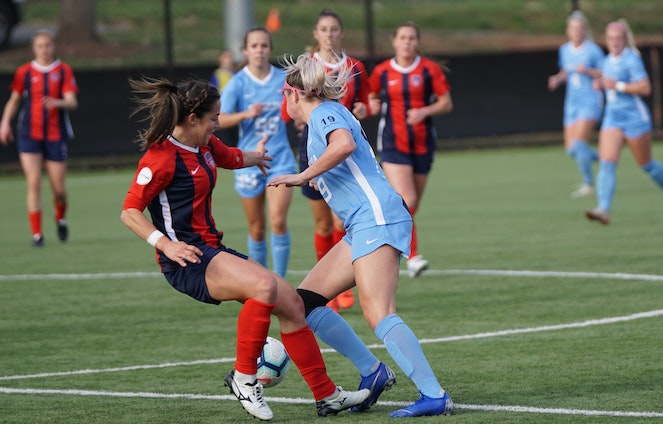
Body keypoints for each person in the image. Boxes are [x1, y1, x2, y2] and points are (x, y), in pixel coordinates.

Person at [120, 77, 369, 420]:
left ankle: (327, 396)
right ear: (192, 119)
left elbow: (230, 156)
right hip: (185, 260)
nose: (218, 124)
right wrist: (165, 244)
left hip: (210, 249)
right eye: (214, 118)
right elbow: (129, 211)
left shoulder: (203, 144)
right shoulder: (160, 158)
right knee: (265, 287)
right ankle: (243, 377)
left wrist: (256, 157)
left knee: (293, 304)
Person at [269, 53, 454, 418]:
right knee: (303, 303)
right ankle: (373, 372)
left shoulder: (324, 112)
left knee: (378, 312)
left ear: (294, 94)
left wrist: (302, 176)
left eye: (283, 95)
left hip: (378, 218)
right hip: (363, 223)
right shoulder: (320, 119)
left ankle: (434, 395)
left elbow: (344, 146)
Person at [368, 22, 453, 278]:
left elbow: (446, 103)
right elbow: (370, 98)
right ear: (394, 41)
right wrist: (369, 107)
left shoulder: (429, 69)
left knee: (410, 207)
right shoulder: (382, 71)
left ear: (417, 42)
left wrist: (424, 111)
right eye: (402, 37)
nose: (407, 42)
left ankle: (389, 242)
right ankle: (413, 257)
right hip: (393, 144)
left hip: (423, 143)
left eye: (411, 38)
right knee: (408, 199)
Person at [300, 8, 371, 311]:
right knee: (323, 222)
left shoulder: (355, 67)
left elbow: (365, 102)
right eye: (324, 30)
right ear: (316, 34)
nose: (329, 34)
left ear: (341, 33)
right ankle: (324, 286)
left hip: (345, 150)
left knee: (343, 219)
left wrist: (365, 109)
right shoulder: (307, 67)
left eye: (334, 29)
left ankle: (342, 283)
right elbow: (290, 106)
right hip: (316, 149)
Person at [218, 27, 296, 278]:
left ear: (270, 49)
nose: (259, 50)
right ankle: (262, 282)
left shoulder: (283, 78)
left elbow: (299, 105)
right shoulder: (238, 82)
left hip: (280, 159)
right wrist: (246, 114)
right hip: (249, 161)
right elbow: (218, 119)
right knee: (257, 228)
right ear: (245, 51)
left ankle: (281, 282)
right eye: (254, 46)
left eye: (264, 45)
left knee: (277, 221)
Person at [0, 29, 78, 247]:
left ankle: (60, 218)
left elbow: (72, 101)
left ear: (53, 46)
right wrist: (5, 122)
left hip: (55, 135)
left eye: (48, 45)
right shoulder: (24, 72)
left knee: (58, 189)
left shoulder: (63, 71)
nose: (45, 49)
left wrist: (58, 102)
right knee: (33, 183)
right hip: (29, 135)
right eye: (40, 45)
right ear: (34, 48)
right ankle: (37, 235)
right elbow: (14, 100)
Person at [585, 19, 663, 225]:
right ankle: (603, 208)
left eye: (618, 38)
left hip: (635, 118)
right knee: (606, 163)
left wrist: (617, 86)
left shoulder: (632, 59)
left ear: (625, 40)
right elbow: (606, 78)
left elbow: (645, 88)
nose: (614, 42)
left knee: (647, 165)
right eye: (610, 38)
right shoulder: (607, 60)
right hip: (613, 118)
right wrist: (599, 83)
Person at [548, 11, 604, 199]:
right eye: (573, 28)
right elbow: (566, 71)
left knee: (580, 144)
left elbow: (605, 73)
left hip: (590, 100)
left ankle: (589, 184)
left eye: (580, 28)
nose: (577, 32)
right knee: (571, 150)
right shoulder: (564, 50)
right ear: (568, 31)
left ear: (585, 30)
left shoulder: (593, 50)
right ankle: (606, 159)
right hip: (572, 102)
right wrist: (557, 78)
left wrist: (588, 71)